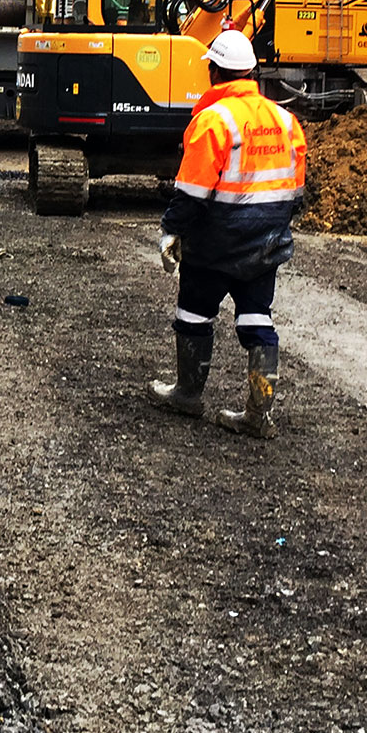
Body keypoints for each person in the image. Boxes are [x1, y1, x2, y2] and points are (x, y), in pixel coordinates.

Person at [151, 28, 307, 437]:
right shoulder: (286, 119)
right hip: (266, 242)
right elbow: (298, 192)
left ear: (215, 73)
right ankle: (258, 415)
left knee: (194, 314)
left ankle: (188, 395)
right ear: (251, 73)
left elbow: (192, 192)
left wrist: (171, 231)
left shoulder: (213, 120)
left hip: (215, 243)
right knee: (257, 320)